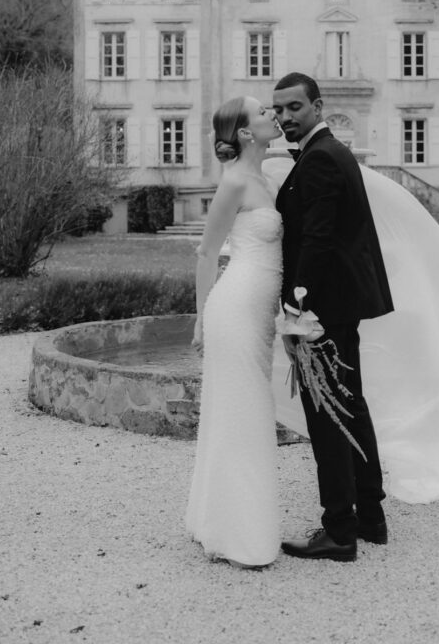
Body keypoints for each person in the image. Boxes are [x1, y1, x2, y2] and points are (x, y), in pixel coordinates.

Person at [272, 72, 395, 563]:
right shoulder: (331, 152)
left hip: (321, 311)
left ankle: (339, 530)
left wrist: (294, 311)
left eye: (294, 108)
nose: (284, 117)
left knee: (327, 418)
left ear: (317, 107)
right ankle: (370, 516)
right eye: (277, 109)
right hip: (340, 306)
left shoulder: (321, 159)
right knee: (350, 408)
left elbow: (317, 242)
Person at [185, 96, 284, 568]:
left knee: (239, 411)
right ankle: (243, 536)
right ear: (246, 133)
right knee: (245, 412)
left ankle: (217, 521)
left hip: (261, 310)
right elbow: (207, 254)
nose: (273, 116)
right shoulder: (235, 183)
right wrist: (202, 316)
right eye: (264, 113)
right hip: (237, 307)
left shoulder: (267, 175)